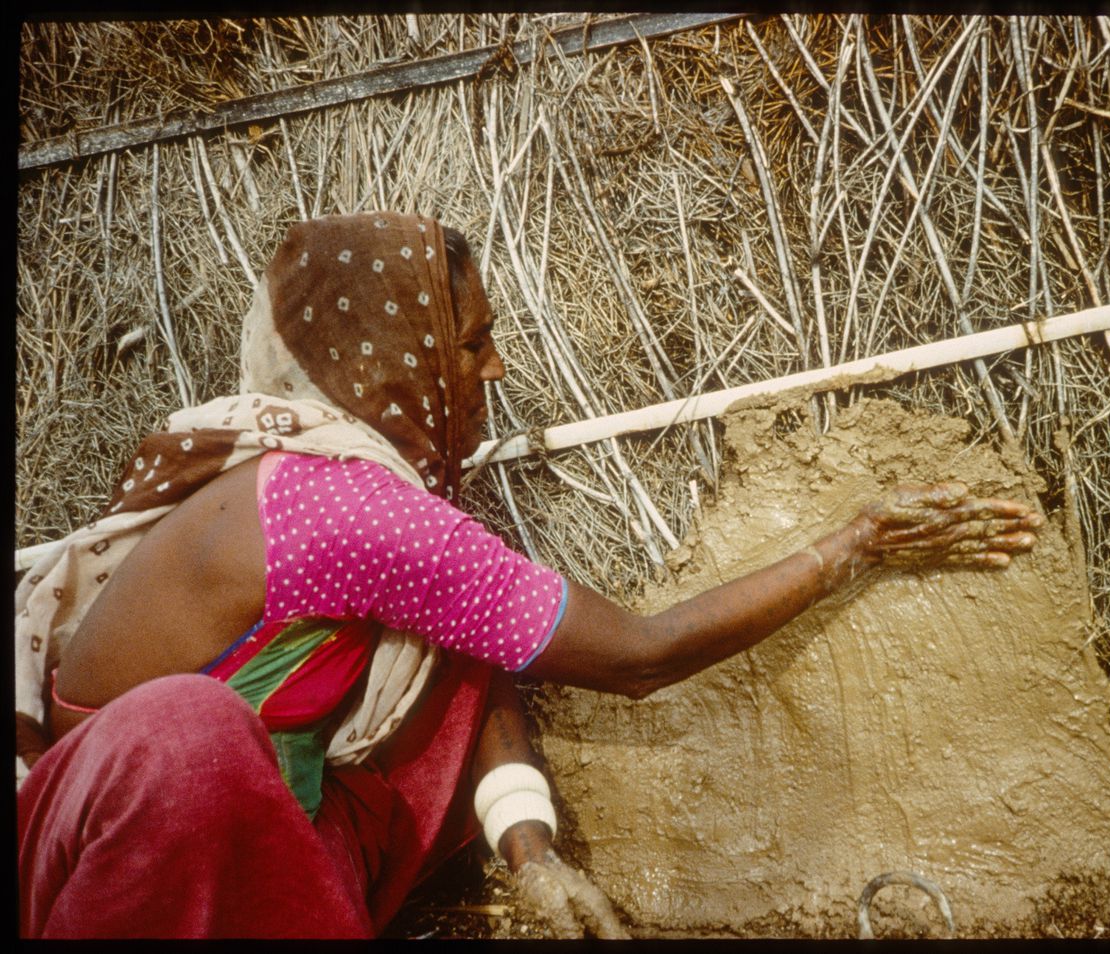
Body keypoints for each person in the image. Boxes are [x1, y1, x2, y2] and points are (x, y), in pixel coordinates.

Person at [15, 212, 1043, 938]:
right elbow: (642, 656)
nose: (493, 369)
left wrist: (531, 853)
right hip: (102, 864)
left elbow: (478, 652)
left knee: (452, 637)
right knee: (188, 735)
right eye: (473, 342)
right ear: (390, 353)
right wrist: (846, 547)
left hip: (241, 835)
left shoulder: (330, 485)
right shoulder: (339, 507)